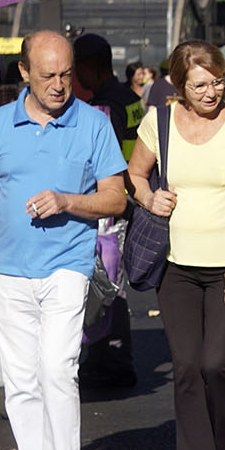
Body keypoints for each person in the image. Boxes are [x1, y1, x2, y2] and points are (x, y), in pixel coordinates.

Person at [0, 31, 129, 450]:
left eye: (65, 74)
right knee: (20, 382)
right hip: (10, 271)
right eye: (48, 76)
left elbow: (116, 199)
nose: (59, 85)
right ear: (23, 73)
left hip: (67, 266)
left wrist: (66, 200)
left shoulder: (93, 124)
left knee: (57, 367)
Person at [125, 40, 225, 450]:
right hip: (177, 266)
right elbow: (135, 174)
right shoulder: (160, 121)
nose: (212, 92)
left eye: (218, 81)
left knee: (216, 363)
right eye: (200, 85)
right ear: (178, 86)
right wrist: (149, 198)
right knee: (187, 368)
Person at [73, 33, 146, 390]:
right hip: (132, 199)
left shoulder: (102, 108)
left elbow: (99, 159)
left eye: (77, 69)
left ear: (89, 66)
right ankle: (112, 356)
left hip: (111, 204)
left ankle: (110, 358)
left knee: (105, 283)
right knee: (112, 283)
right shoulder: (131, 98)